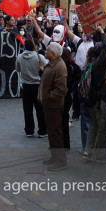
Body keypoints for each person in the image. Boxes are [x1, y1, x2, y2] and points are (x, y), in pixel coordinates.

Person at [39, 42, 68, 171]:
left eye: (47, 51)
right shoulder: (52, 64)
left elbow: (61, 89)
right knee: (51, 132)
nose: (45, 52)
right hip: (48, 104)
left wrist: (49, 96)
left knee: (56, 133)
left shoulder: (59, 66)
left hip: (54, 105)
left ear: (53, 54)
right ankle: (54, 157)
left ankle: (60, 161)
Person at [15, 39, 48, 138]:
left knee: (27, 110)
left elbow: (17, 69)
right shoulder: (39, 57)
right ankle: (42, 130)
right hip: (37, 85)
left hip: (26, 86)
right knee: (40, 109)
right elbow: (47, 67)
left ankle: (29, 130)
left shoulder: (20, 57)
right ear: (34, 47)